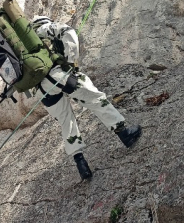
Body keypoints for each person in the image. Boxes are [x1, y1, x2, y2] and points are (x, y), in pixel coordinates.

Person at [32, 16, 142, 180]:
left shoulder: (26, 47)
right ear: (44, 21)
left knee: (65, 120)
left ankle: (81, 164)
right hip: (59, 75)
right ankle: (124, 134)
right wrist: (71, 64)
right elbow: (68, 32)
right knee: (96, 100)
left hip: (42, 91)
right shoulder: (45, 29)